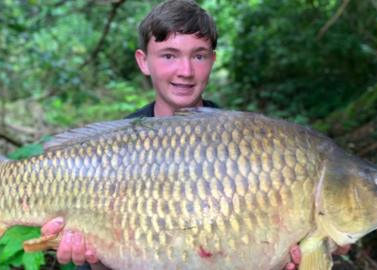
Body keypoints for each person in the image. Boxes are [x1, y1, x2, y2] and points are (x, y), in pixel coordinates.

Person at [41, 0, 304, 269]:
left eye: (198, 56)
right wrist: (95, 261)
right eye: (169, 55)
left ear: (212, 61)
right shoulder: (111, 146)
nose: (186, 71)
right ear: (144, 62)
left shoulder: (245, 144)